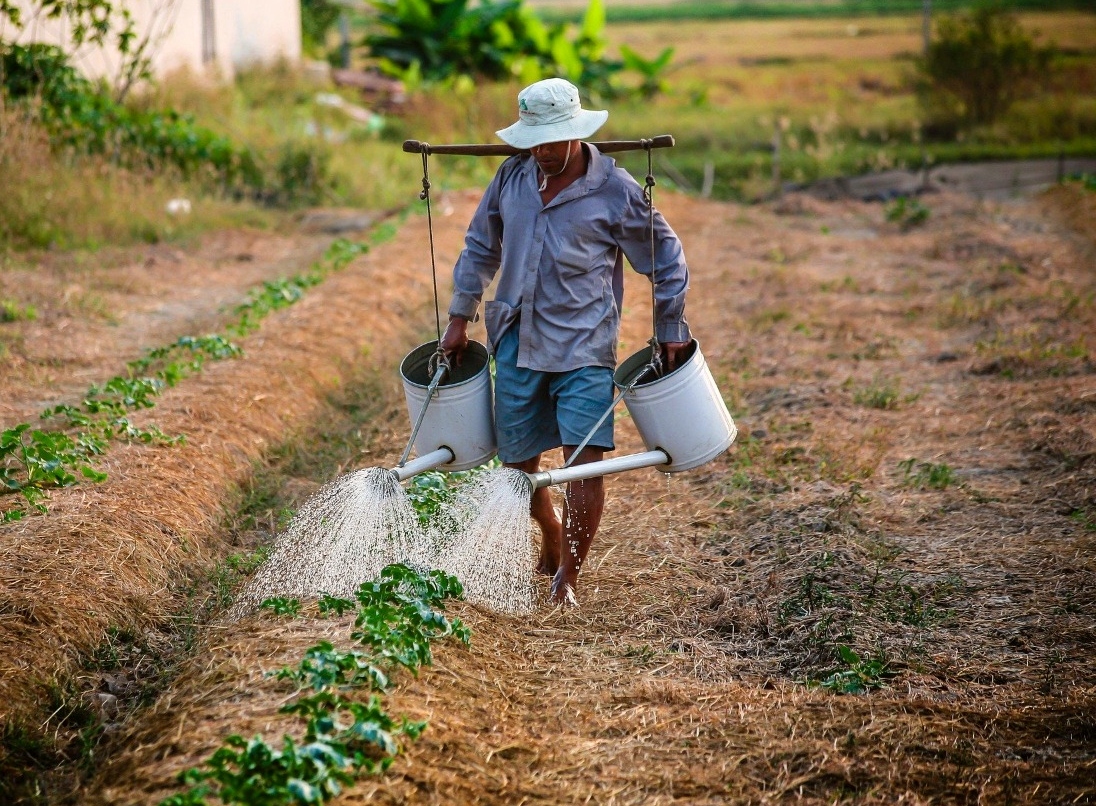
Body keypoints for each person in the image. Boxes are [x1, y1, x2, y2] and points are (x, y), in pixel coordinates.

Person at [440, 77, 691, 606]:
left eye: (552, 142)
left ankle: (566, 580)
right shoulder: (511, 178)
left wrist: (669, 327)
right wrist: (459, 317)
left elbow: (666, 259)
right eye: (534, 142)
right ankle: (550, 531)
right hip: (516, 338)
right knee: (518, 467)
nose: (543, 152)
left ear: (576, 134)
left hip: (584, 345)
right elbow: (479, 247)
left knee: (585, 462)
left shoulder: (615, 191)